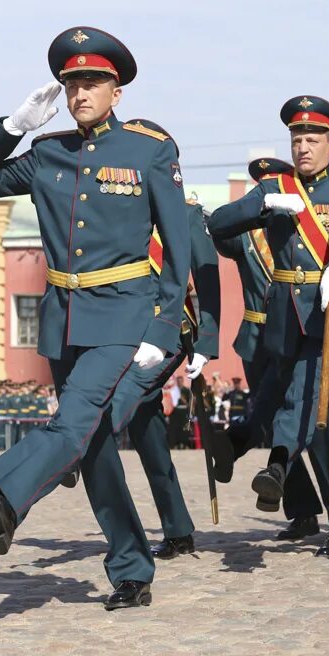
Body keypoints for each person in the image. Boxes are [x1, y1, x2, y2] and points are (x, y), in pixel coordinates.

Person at [0, 26, 189, 610]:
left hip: (124, 315)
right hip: (64, 318)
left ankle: (4, 492)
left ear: (117, 91)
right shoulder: (48, 153)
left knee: (75, 420)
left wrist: (163, 331)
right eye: (72, 82)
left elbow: (178, 248)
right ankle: (132, 570)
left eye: (93, 81)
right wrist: (13, 127)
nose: (81, 91)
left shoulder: (149, 151)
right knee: (97, 443)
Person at [210, 95, 329, 560]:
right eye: (297, 138)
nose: (303, 147)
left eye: (313, 138)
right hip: (286, 313)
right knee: (314, 418)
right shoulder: (275, 187)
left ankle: (276, 464)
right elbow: (220, 223)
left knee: (306, 390)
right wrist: (264, 207)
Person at [108, 192, 222, 560]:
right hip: (126, 332)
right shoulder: (121, 208)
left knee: (125, 391)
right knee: (147, 431)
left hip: (170, 328)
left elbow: (207, 279)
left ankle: (78, 444)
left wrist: (206, 341)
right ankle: (177, 529)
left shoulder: (186, 213)